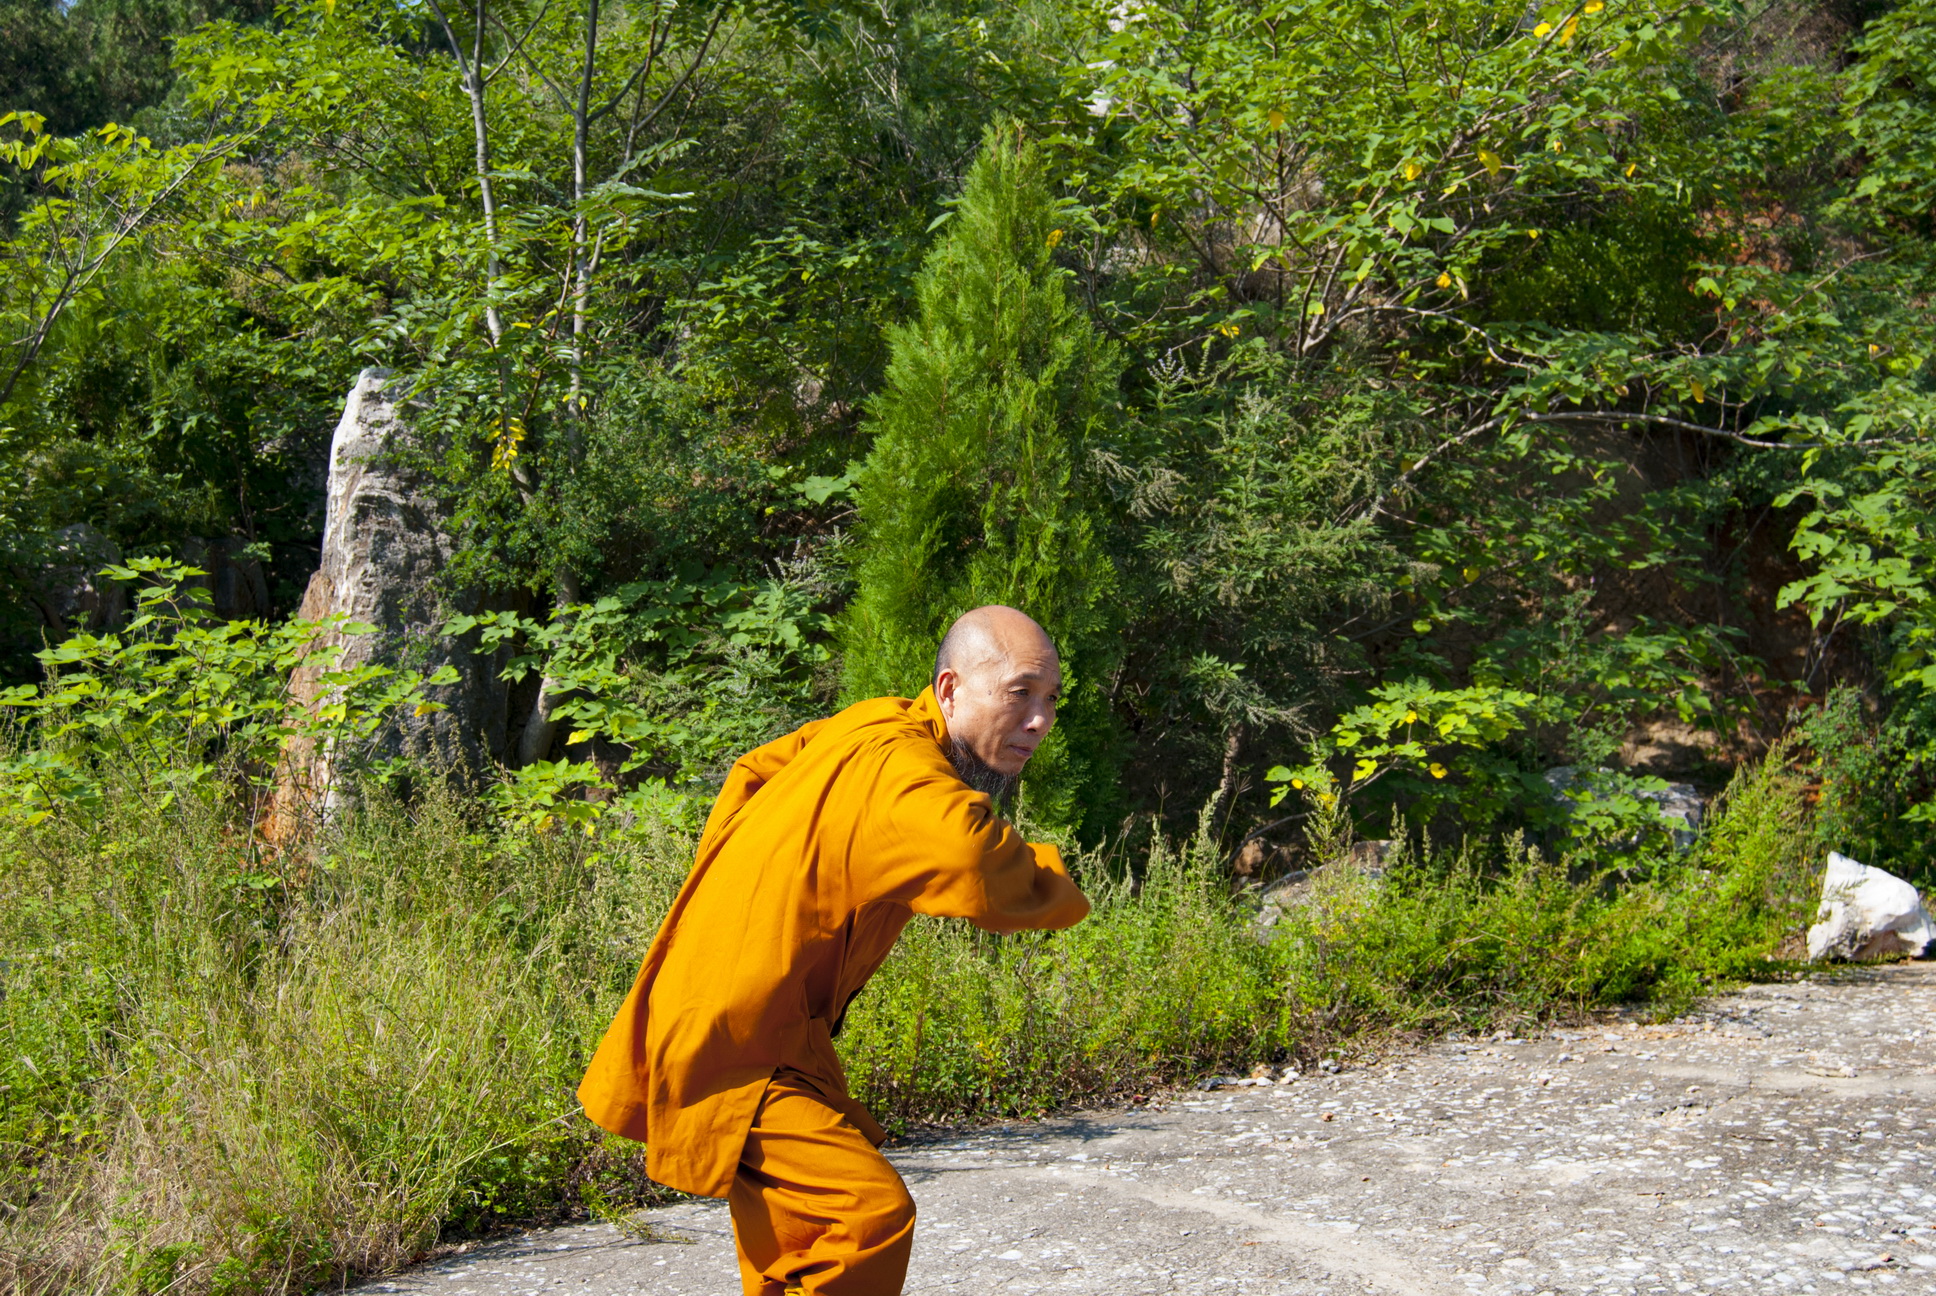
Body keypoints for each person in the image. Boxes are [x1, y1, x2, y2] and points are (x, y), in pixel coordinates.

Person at [577, 604, 1092, 1296]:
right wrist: (1058, 882)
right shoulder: (908, 773)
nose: (1040, 721)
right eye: (1019, 693)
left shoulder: (872, 722)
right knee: (864, 1215)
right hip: (736, 1037)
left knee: (799, 1245)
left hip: (765, 1017)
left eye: (1051, 699)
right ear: (949, 689)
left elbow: (754, 772)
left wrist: (737, 907)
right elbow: (972, 863)